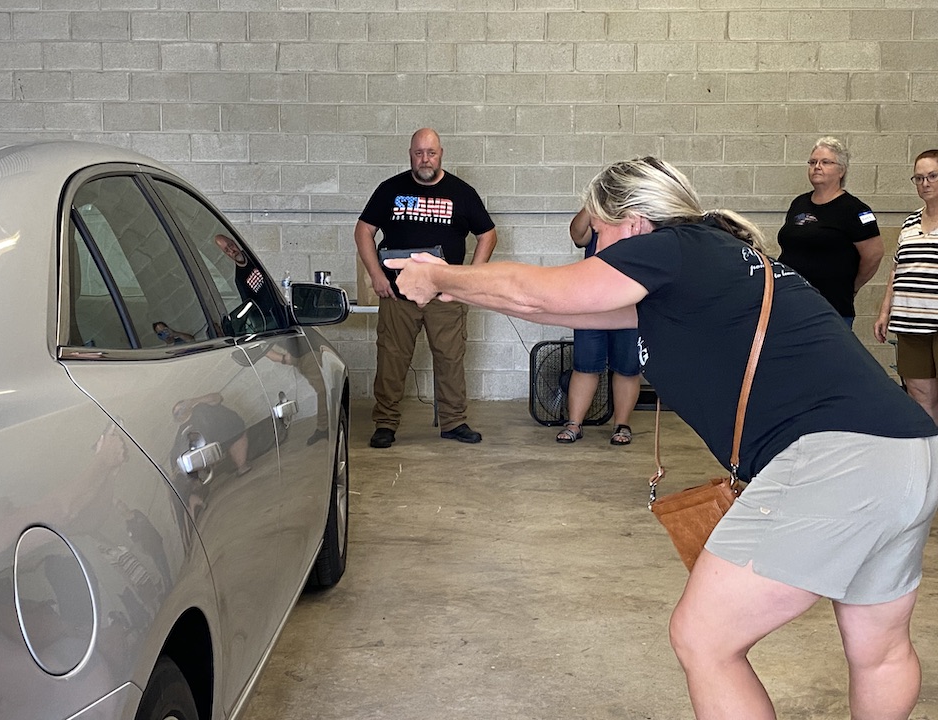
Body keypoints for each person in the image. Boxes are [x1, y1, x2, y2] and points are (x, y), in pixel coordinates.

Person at [387, 156, 938, 719]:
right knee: (880, 649)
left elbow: (545, 292)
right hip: (909, 453)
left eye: (598, 231)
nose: (596, 246)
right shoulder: (712, 258)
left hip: (837, 460)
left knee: (704, 638)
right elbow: (567, 309)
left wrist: (439, 273)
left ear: (630, 220)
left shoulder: (667, 248)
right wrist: (467, 290)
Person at [354, 128, 497, 449]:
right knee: (391, 359)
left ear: (441, 153)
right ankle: (386, 423)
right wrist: (376, 275)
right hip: (398, 294)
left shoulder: (461, 193)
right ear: (410, 154)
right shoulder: (390, 189)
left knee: (450, 358)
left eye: (430, 153)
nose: (425, 159)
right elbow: (363, 231)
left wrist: (470, 279)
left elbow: (488, 234)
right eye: (419, 153)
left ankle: (454, 421)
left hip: (445, 295)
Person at [776, 136, 883, 328]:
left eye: (825, 162)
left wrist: (852, 285)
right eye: (813, 162)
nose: (817, 166)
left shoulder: (855, 210)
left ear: (841, 170)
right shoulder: (799, 203)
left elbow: (874, 254)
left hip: (830, 307)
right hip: (790, 302)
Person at [556, 207, 641, 445]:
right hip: (593, 301)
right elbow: (577, 234)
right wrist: (593, 203)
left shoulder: (640, 217)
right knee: (585, 364)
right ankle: (574, 424)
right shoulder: (598, 215)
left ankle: (621, 425)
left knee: (627, 367)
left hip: (629, 301)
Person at [874, 149, 938, 424]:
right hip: (910, 323)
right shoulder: (910, 222)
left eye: (932, 176)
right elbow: (896, 269)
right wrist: (884, 312)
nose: (925, 183)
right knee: (920, 396)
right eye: (919, 178)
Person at [214, 233, 285, 330]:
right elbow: (249, 305)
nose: (232, 251)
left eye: (231, 245)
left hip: (282, 308)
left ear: (235, 243)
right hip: (271, 321)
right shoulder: (239, 278)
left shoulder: (255, 256)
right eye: (227, 250)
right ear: (226, 255)